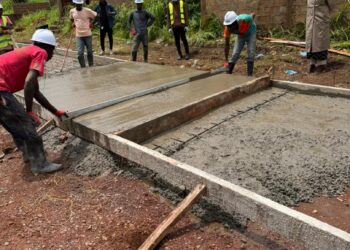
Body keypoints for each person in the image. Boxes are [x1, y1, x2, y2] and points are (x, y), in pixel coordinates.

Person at [0, 29, 68, 174]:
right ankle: (39, 164)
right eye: (53, 50)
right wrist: (29, 110)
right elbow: (28, 82)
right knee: (26, 124)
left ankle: (28, 154)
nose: (52, 55)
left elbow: (35, 91)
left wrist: (55, 111)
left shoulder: (28, 53)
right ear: (48, 47)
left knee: (15, 125)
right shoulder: (40, 52)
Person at [223, 11, 256, 76]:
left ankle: (249, 76)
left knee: (251, 52)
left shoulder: (244, 19)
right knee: (235, 53)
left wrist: (250, 21)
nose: (229, 27)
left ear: (235, 22)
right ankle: (228, 73)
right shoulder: (227, 29)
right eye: (227, 25)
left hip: (251, 32)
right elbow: (227, 44)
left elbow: (253, 14)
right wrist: (226, 60)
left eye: (230, 25)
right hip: (241, 35)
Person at [306, 0, 332, 73]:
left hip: (321, 17)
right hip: (311, 17)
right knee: (311, 42)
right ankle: (313, 62)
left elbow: (331, 3)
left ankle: (321, 64)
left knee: (320, 42)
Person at [70, 0, 97, 67]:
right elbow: (71, 18)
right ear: (75, 4)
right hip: (78, 35)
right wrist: (73, 23)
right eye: (77, 4)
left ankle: (91, 65)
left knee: (90, 51)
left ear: (82, 4)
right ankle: (83, 66)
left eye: (80, 4)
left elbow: (96, 15)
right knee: (80, 53)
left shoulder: (87, 11)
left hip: (88, 34)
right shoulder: (72, 11)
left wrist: (92, 23)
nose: (79, 6)